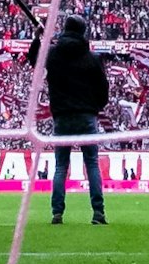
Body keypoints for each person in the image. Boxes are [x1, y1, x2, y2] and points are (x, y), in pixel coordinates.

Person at [44, 14, 108, 226]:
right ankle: (98, 212)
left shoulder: (53, 55)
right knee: (92, 163)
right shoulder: (92, 58)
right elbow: (103, 89)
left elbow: (35, 59)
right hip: (86, 115)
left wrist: (38, 39)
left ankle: (57, 213)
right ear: (83, 32)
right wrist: (96, 107)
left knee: (61, 166)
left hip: (62, 116)